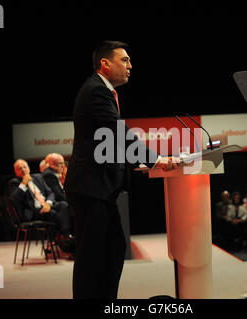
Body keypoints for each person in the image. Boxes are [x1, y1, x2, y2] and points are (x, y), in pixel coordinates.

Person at [63, 41, 179, 299]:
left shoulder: (102, 91)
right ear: (105, 64)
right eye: (124, 60)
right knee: (92, 258)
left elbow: (105, 141)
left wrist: (135, 162)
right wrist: (154, 159)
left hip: (97, 188)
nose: (130, 66)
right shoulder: (96, 91)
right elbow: (117, 134)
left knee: (112, 249)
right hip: (91, 188)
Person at [9, 159, 75, 253]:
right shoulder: (15, 182)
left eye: (25, 167)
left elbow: (50, 192)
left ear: (29, 168)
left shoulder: (38, 177)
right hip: (33, 211)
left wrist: (48, 203)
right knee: (54, 214)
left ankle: (65, 236)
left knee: (64, 205)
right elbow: (14, 199)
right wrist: (23, 183)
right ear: (16, 171)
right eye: (20, 168)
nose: (23, 170)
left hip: (46, 205)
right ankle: (66, 238)